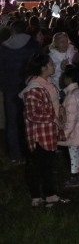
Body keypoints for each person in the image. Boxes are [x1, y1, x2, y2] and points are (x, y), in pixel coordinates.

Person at [20, 52, 69, 207]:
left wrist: (60, 109)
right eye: (51, 64)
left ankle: (48, 195)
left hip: (49, 131)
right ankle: (39, 196)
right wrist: (54, 119)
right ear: (43, 67)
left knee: (47, 165)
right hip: (39, 134)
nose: (54, 66)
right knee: (40, 166)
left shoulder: (48, 83)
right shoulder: (34, 89)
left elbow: (53, 103)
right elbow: (33, 114)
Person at [0, 20, 39, 164]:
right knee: (31, 120)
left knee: (12, 122)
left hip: (10, 88)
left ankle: (15, 155)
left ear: (12, 31)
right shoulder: (33, 45)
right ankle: (31, 151)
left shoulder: (4, 48)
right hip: (30, 87)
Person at [58, 66, 79, 188]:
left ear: (68, 79)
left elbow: (71, 117)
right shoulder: (78, 92)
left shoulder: (71, 96)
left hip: (73, 131)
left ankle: (74, 177)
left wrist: (65, 133)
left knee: (73, 154)